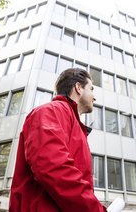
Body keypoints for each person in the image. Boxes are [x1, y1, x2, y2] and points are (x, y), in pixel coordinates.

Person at [9, 68, 107, 212]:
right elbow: (52, 167)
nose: (94, 97)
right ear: (78, 88)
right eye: (91, 89)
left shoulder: (75, 125)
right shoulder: (50, 112)